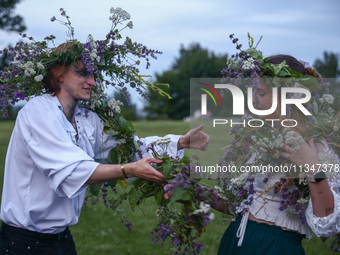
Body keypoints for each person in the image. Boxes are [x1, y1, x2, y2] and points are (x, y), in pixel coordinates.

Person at [0, 40, 209, 254]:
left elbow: (130, 148)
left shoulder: (85, 119)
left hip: (61, 240)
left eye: (93, 74)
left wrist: (179, 142)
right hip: (23, 243)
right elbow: (71, 170)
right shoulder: (38, 112)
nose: (91, 81)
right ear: (59, 74)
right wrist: (127, 170)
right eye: (82, 73)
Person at [213, 54, 340, 254]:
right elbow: (237, 204)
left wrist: (311, 166)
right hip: (236, 241)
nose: (253, 99)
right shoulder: (258, 138)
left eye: (260, 93)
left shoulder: (316, 144)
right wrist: (185, 184)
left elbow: (327, 224)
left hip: (275, 247)